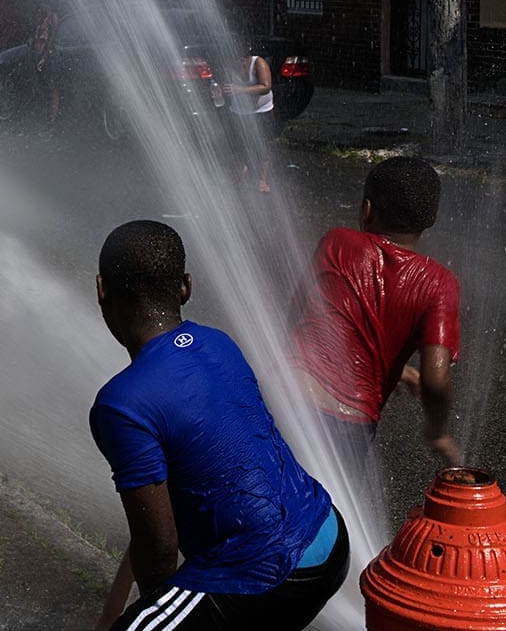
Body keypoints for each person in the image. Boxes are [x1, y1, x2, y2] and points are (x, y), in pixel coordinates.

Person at [89, 220, 348, 631]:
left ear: (101, 290)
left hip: (269, 574)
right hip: (329, 538)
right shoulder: (219, 344)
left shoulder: (121, 404)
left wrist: (154, 614)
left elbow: (159, 549)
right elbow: (155, 518)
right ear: (186, 287)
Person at [292, 156, 463, 467]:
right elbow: (436, 381)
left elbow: (302, 319)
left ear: (366, 209)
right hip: (348, 426)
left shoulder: (336, 242)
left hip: (287, 395)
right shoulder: (438, 283)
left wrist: (397, 371)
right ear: (433, 218)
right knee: (325, 506)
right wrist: (436, 432)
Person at [224, 51, 276, 193]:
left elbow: (266, 86)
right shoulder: (227, 63)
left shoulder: (258, 62)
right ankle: (240, 174)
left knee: (260, 145)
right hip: (239, 110)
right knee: (238, 144)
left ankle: (261, 180)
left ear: (243, 58)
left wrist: (241, 90)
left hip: (261, 110)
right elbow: (226, 87)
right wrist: (219, 91)